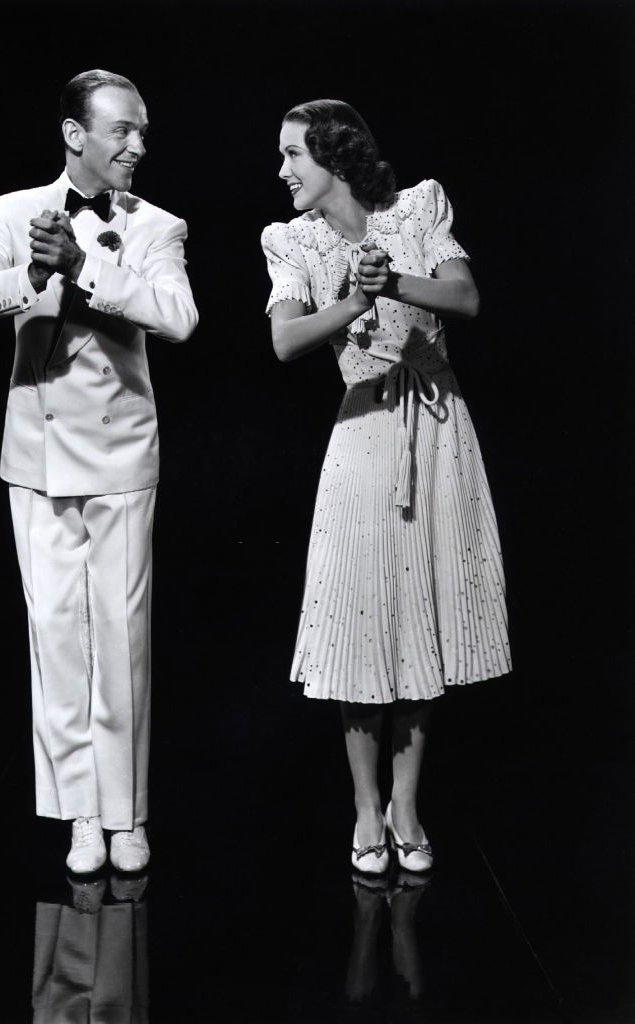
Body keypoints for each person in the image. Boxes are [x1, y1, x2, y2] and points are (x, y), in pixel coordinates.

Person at [0, 70, 198, 874]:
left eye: (142, 131)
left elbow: (179, 318)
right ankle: (82, 814)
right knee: (55, 639)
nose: (138, 146)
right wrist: (35, 279)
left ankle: (127, 816)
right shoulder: (14, 214)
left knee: (120, 640)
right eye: (122, 130)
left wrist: (86, 266)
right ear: (75, 136)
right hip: (38, 459)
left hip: (120, 456)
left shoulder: (158, 225)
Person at [261, 100, 510, 874]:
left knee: (423, 608)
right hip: (364, 434)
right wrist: (356, 301)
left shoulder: (418, 206)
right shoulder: (290, 239)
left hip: (437, 431)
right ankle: (366, 806)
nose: (283, 171)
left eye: (294, 154)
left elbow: (465, 297)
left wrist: (394, 276)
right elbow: (284, 339)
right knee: (362, 613)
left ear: (334, 155)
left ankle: (407, 800)